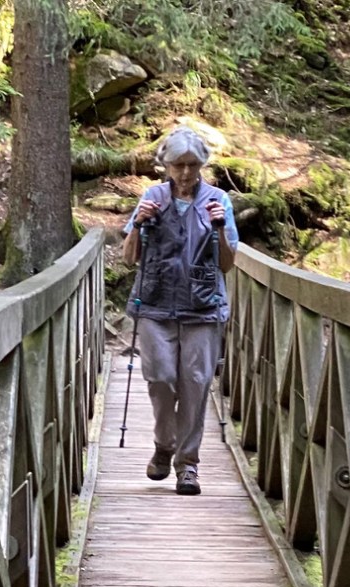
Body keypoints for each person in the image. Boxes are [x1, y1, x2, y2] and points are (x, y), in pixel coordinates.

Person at [122, 127, 239, 496]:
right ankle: (164, 443)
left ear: (201, 165)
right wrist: (138, 224)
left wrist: (220, 228)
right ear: (166, 166)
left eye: (192, 165)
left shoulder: (218, 200)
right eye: (178, 165)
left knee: (196, 383)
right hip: (155, 304)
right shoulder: (152, 197)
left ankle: (187, 464)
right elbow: (128, 259)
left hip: (203, 307)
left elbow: (227, 264)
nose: (186, 173)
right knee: (160, 378)